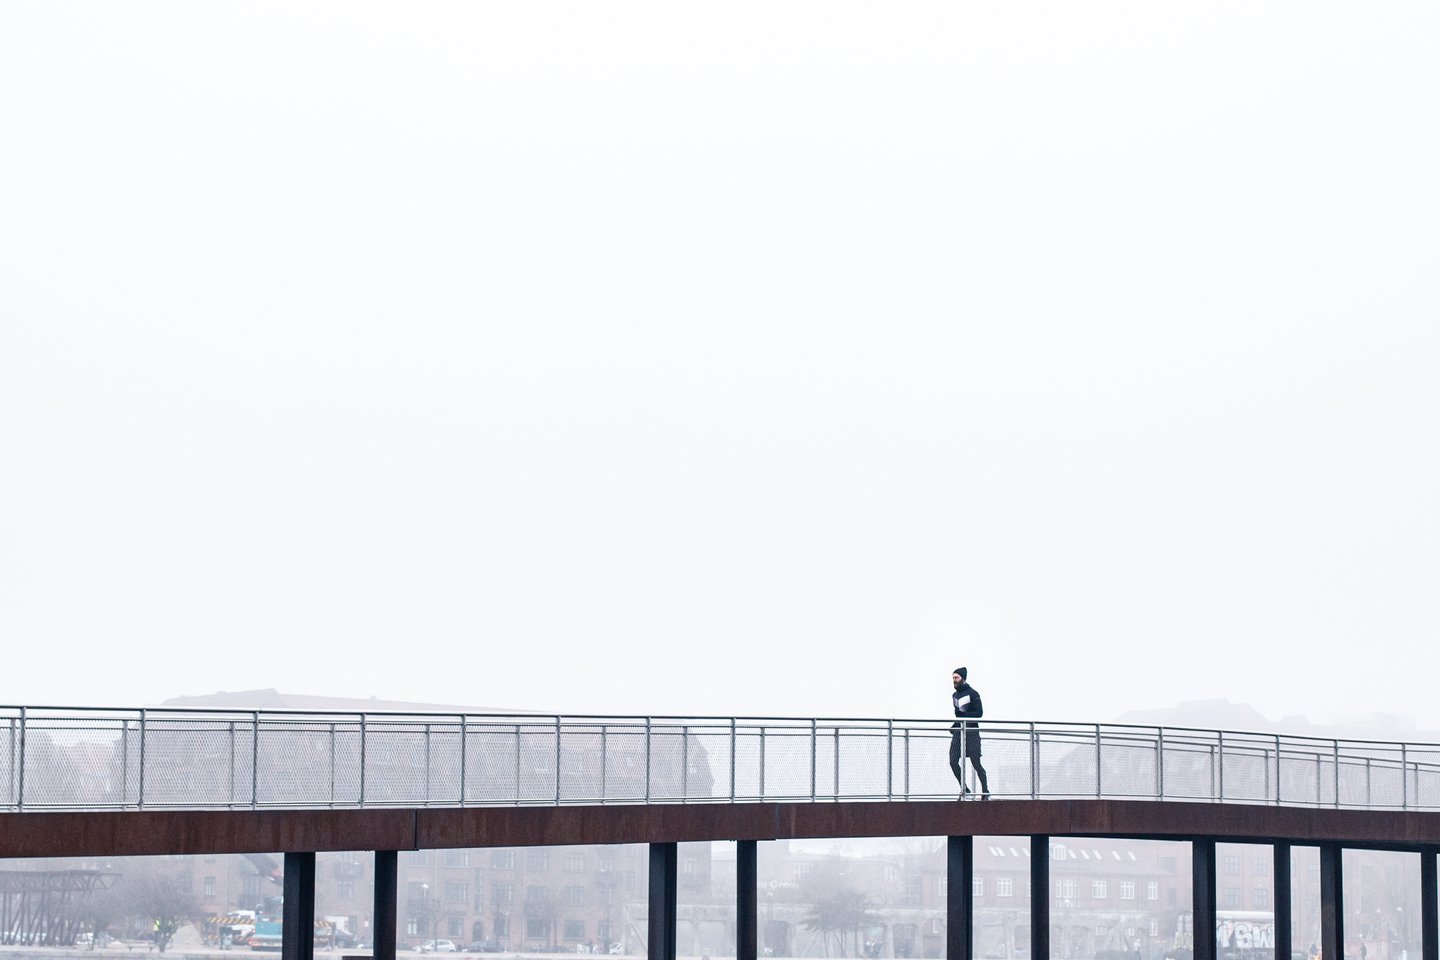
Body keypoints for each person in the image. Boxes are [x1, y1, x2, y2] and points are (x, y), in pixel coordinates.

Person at [949, 667, 990, 798]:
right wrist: (954, 725)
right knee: (953, 761)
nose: (954, 680)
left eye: (956, 677)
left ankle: (985, 791)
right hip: (959, 732)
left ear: (963, 678)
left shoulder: (973, 693)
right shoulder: (954, 695)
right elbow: (959, 716)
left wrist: (964, 715)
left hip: (972, 732)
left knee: (976, 763)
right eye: (953, 678)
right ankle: (965, 788)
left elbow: (979, 713)